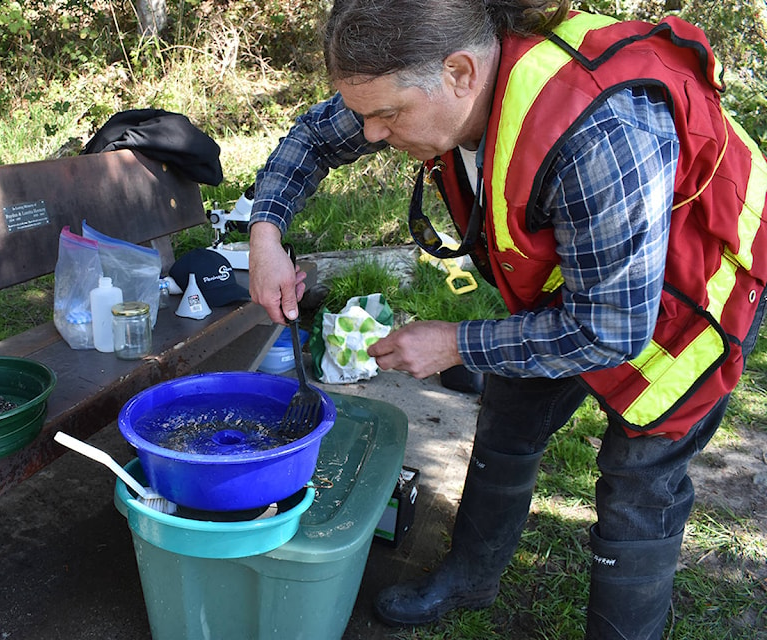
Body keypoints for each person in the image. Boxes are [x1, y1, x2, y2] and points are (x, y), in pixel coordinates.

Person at [246, 0, 767, 638]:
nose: (372, 134)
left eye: (386, 116)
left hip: (689, 292)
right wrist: (265, 235)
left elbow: (610, 330)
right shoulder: (429, 76)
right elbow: (315, 136)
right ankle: (470, 576)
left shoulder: (599, 131)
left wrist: (457, 343)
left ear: (461, 72)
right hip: (583, 280)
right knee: (509, 412)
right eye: (364, 115)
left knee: (637, 486)